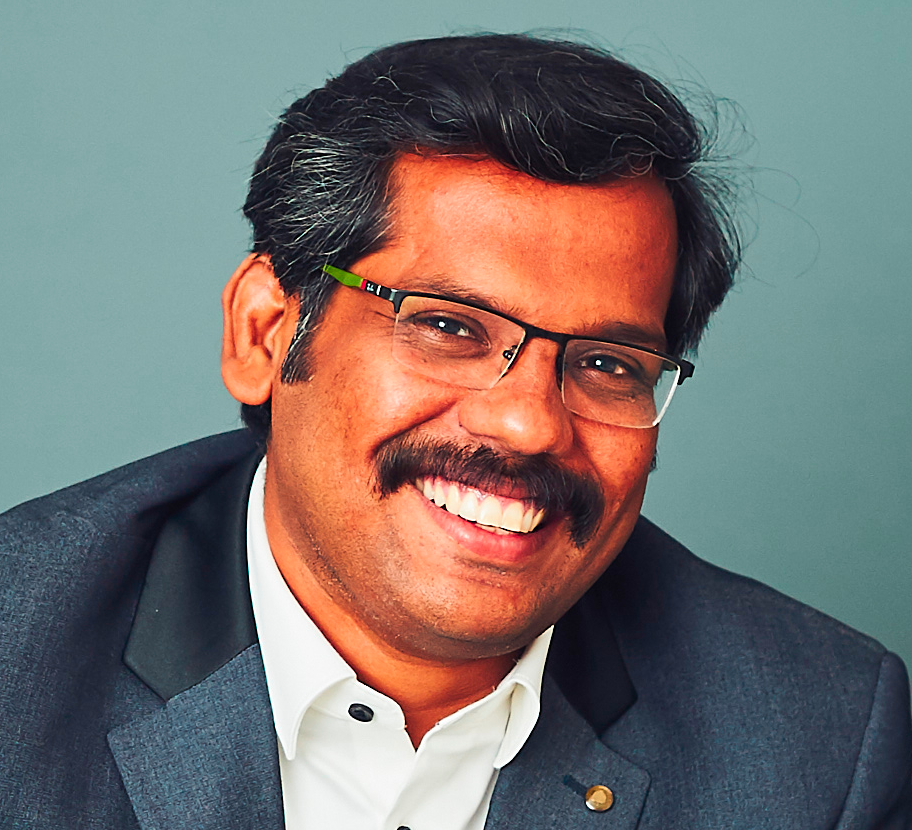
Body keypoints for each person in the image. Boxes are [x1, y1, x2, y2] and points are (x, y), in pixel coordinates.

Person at [1, 33, 909, 830]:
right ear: (266, 334)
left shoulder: (818, 739)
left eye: (605, 363)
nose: (527, 423)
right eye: (447, 326)